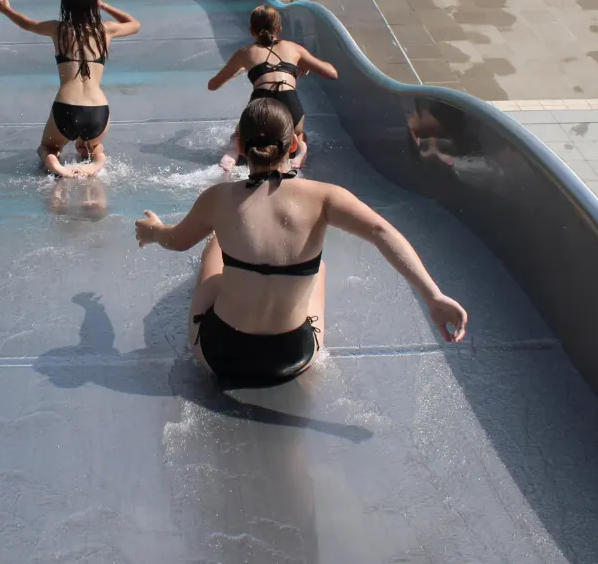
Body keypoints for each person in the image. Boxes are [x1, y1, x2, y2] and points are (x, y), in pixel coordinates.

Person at [134, 97, 468, 387]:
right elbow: (383, 233)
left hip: (221, 356)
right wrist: (433, 296)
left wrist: (153, 230)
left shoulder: (218, 198)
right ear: (293, 145)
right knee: (316, 267)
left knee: (216, 247)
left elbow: (175, 241)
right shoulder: (324, 196)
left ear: (240, 146)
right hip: (292, 358)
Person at [0, 0, 142, 177]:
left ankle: (56, 166)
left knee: (48, 147)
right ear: (93, 2)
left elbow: (27, 24)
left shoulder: (58, 29)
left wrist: (6, 10)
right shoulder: (106, 29)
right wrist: (103, 5)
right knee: (93, 147)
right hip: (98, 109)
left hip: (66, 107)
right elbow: (135, 24)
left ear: (65, 3)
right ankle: (96, 163)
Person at [209, 5, 339, 170]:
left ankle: (233, 150)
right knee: (299, 134)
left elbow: (213, 85)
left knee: (239, 135)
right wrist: (306, 65)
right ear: (279, 28)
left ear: (251, 30)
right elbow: (332, 73)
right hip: (290, 102)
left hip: (262, 101)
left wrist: (241, 69)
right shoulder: (293, 48)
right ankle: (300, 150)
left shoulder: (245, 53)